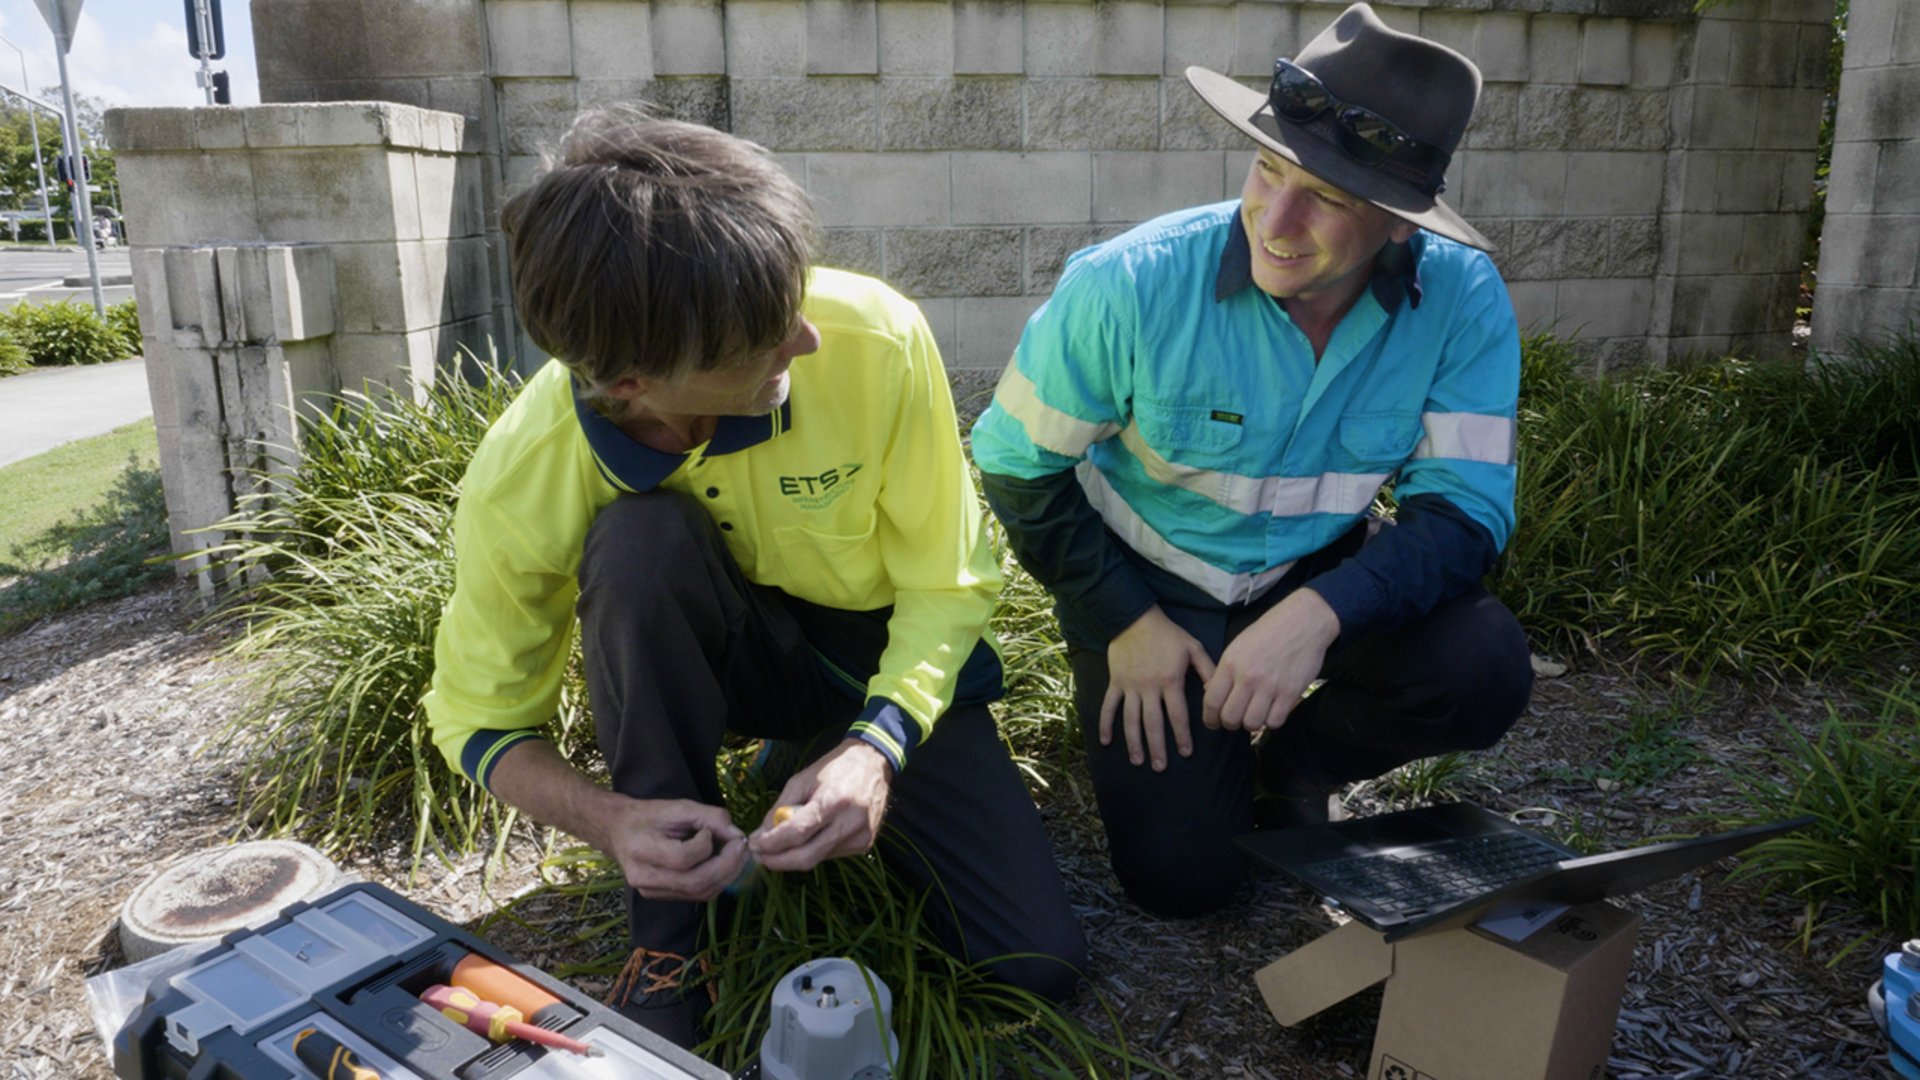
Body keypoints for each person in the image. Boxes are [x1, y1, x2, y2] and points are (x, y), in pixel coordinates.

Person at [423, 108, 1085, 1048]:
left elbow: (950, 575)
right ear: (630, 384)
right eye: (762, 339)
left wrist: (879, 744)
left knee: (1033, 963)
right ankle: (672, 931)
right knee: (639, 546)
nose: (807, 342)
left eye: (794, 300)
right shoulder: (525, 468)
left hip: (875, 653)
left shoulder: (877, 338)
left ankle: (814, 754)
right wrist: (610, 822)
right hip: (718, 657)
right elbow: (476, 720)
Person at [970, 2, 1533, 918]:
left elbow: (1467, 513)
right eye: (1269, 169)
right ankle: (1190, 739)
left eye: (1330, 198)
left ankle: (1296, 764)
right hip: (1149, 582)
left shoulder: (1462, 298)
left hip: (1318, 564)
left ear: (1399, 223)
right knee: (1186, 885)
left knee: (1482, 666)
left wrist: (1318, 612)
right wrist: (1125, 621)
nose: (1277, 218)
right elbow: (1013, 467)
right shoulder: (1130, 284)